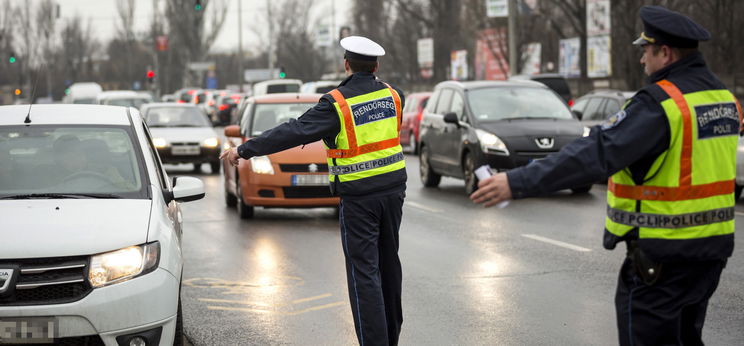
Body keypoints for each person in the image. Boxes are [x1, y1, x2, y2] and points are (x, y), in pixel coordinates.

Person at [471, 5, 743, 345]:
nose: (642, 60)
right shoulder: (722, 98)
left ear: (666, 52)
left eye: (646, 50)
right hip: (711, 253)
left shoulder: (661, 105)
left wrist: (516, 182)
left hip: (663, 258)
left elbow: (595, 153)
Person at [220, 36, 406, 346]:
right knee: (389, 267)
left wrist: (245, 149)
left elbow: (293, 131)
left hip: (360, 199)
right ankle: (391, 338)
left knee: (365, 275)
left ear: (346, 64)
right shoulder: (394, 96)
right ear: (377, 65)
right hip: (393, 192)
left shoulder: (338, 103)